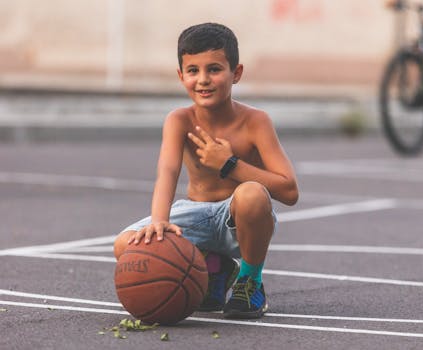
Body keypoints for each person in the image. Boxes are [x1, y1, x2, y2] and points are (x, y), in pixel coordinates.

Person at [113, 22, 299, 319]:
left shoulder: (256, 122)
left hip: (237, 220)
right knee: (127, 245)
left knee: (251, 194)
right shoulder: (179, 120)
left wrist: (229, 164)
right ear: (181, 75)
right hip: (196, 215)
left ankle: (250, 280)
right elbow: (168, 172)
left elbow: (289, 191)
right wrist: (159, 222)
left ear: (236, 73)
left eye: (214, 69)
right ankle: (213, 269)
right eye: (193, 71)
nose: (203, 80)